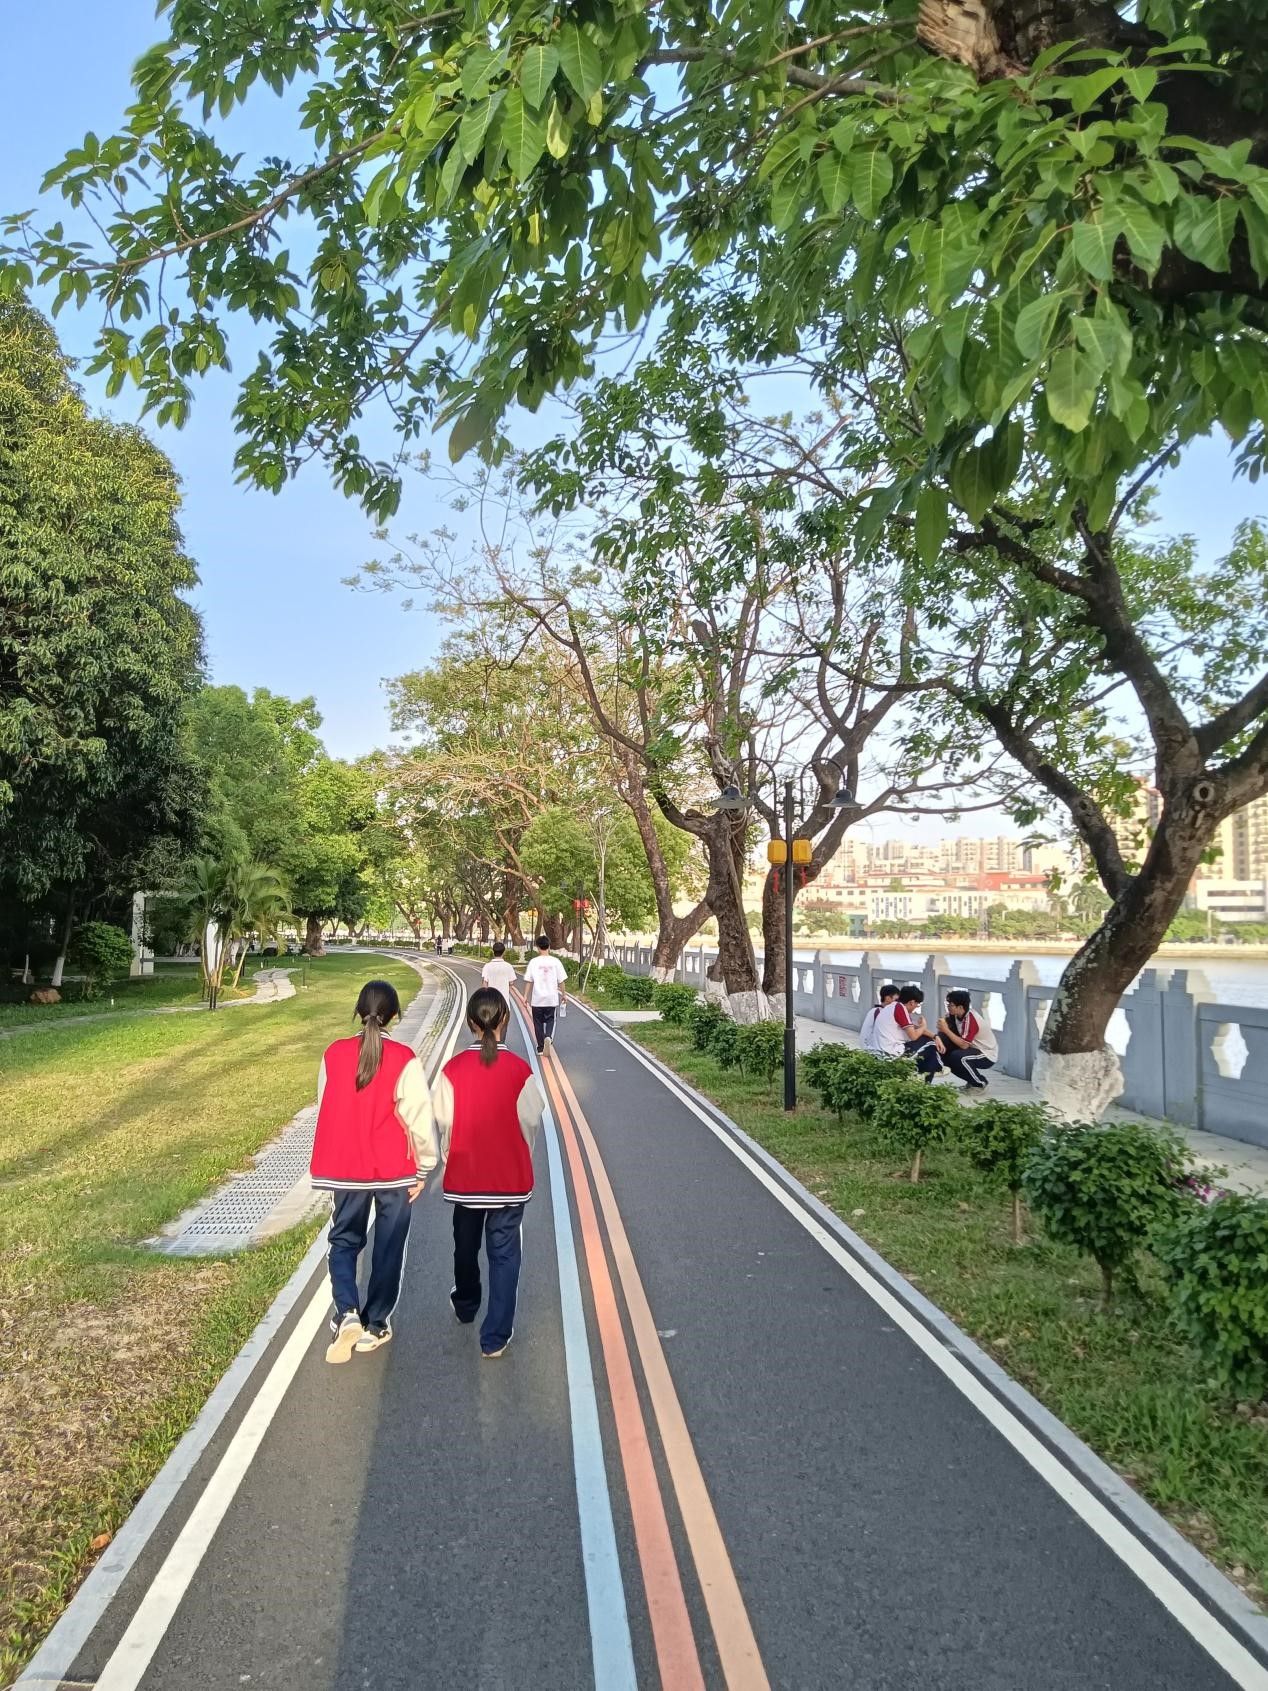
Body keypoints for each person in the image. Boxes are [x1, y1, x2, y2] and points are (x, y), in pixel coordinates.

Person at [310, 980, 438, 1364]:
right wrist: (425, 1166)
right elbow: (419, 1119)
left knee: (343, 1240)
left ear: (357, 1010)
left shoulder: (333, 1054)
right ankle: (376, 1324)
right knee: (388, 1246)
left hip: (346, 1169)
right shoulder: (404, 1058)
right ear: (394, 1015)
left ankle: (346, 1310)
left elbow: (326, 1104)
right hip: (394, 1171)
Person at [432, 988, 546, 1358]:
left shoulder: (452, 1070)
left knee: (465, 1246)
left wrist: (449, 1153)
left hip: (465, 1178)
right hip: (509, 1181)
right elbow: (531, 1120)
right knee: (504, 1254)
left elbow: (444, 1121)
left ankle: (466, 1302)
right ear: (505, 1021)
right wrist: (520, 1153)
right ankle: (494, 1336)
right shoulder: (520, 1070)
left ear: (470, 1023)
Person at [873, 983, 942, 1079]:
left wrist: (935, 1036)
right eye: (917, 1005)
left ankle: (927, 1071)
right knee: (931, 1044)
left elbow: (913, 1028)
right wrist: (924, 1026)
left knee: (928, 1046)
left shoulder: (892, 1007)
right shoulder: (900, 1009)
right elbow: (913, 1036)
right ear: (912, 1002)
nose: (916, 1008)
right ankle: (937, 1068)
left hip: (880, 1052)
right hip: (891, 1055)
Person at [937, 989, 998, 1090]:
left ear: (960, 1007)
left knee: (958, 1057)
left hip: (986, 1054)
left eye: (951, 1005)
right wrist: (940, 1035)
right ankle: (972, 1082)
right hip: (971, 1049)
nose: (948, 1007)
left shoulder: (970, 1019)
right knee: (944, 1055)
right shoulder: (953, 1016)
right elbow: (945, 1035)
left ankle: (980, 1083)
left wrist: (945, 1030)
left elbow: (964, 1045)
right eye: (948, 1004)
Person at [524, 933, 568, 1055]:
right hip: (551, 999)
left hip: (537, 999)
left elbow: (529, 981)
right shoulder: (556, 962)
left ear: (538, 947)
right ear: (549, 946)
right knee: (550, 1020)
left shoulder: (533, 962)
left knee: (537, 1023)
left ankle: (540, 1047)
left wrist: (525, 996)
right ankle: (548, 1036)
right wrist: (564, 995)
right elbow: (561, 981)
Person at [860, 983, 900, 1053]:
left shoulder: (875, 1011)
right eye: (896, 1000)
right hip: (875, 1050)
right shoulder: (880, 1012)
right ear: (887, 998)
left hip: (870, 1049)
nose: (898, 1003)